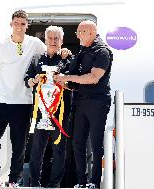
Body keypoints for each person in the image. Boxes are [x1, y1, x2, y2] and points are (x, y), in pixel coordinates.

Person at [0, 10, 46, 187]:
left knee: (19, 145)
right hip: (1, 102)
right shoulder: (0, 45)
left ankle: (13, 180)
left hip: (23, 103)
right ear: (11, 24)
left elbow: (50, 52)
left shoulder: (35, 44)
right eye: (16, 23)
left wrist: (63, 51)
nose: (19, 27)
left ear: (27, 25)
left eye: (22, 24)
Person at [54, 20, 113, 189]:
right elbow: (77, 80)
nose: (78, 35)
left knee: (95, 144)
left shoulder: (102, 51)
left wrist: (67, 78)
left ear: (92, 33)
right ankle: (81, 181)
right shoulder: (84, 49)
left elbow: (93, 78)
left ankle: (94, 182)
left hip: (97, 102)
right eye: (77, 33)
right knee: (77, 143)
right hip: (80, 101)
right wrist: (62, 82)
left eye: (81, 32)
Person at [24, 25, 72, 188]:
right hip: (40, 113)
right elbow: (27, 81)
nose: (53, 41)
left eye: (56, 38)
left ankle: (54, 184)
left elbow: (74, 83)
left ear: (62, 40)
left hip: (60, 113)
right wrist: (34, 80)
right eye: (50, 38)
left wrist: (63, 81)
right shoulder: (36, 58)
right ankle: (34, 183)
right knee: (36, 150)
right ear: (45, 40)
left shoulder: (67, 59)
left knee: (59, 150)